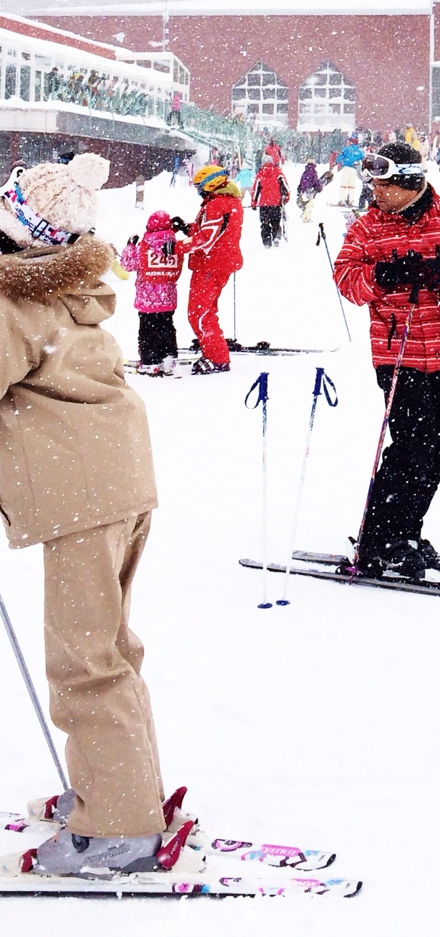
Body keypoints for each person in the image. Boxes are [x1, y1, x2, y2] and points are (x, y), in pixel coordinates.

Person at [0, 154, 169, 877]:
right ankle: (126, 789)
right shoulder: (79, 288)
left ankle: (119, 826)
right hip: (119, 485)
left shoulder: (14, 302)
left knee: (85, 661)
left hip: (81, 499)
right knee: (108, 648)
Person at [333, 143, 440, 578]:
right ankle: (380, 538)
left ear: (408, 184)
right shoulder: (368, 228)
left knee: (436, 453)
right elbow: (347, 280)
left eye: (384, 185)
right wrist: (383, 276)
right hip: (396, 353)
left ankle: (405, 531)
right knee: (410, 448)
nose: (376, 192)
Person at [186, 163, 244, 373]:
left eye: (199, 186)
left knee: (199, 312)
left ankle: (217, 357)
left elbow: (205, 238)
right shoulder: (227, 202)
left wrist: (176, 247)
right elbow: (210, 229)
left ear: (210, 184)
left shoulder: (217, 204)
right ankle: (212, 345)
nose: (198, 191)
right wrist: (186, 228)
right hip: (217, 262)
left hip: (211, 263)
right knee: (206, 309)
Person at [119, 211, 188, 375]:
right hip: (169, 298)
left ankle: (150, 360)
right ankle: (168, 356)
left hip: (147, 299)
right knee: (167, 327)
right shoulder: (175, 247)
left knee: (148, 330)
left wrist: (130, 246)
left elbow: (128, 265)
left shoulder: (144, 246)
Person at [251, 155, 289, 246]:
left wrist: (254, 202)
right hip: (276, 203)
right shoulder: (278, 173)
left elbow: (256, 190)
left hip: (264, 204)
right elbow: (286, 187)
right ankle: (276, 236)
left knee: (265, 223)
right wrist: (286, 197)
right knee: (275, 221)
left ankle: (266, 240)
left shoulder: (260, 174)